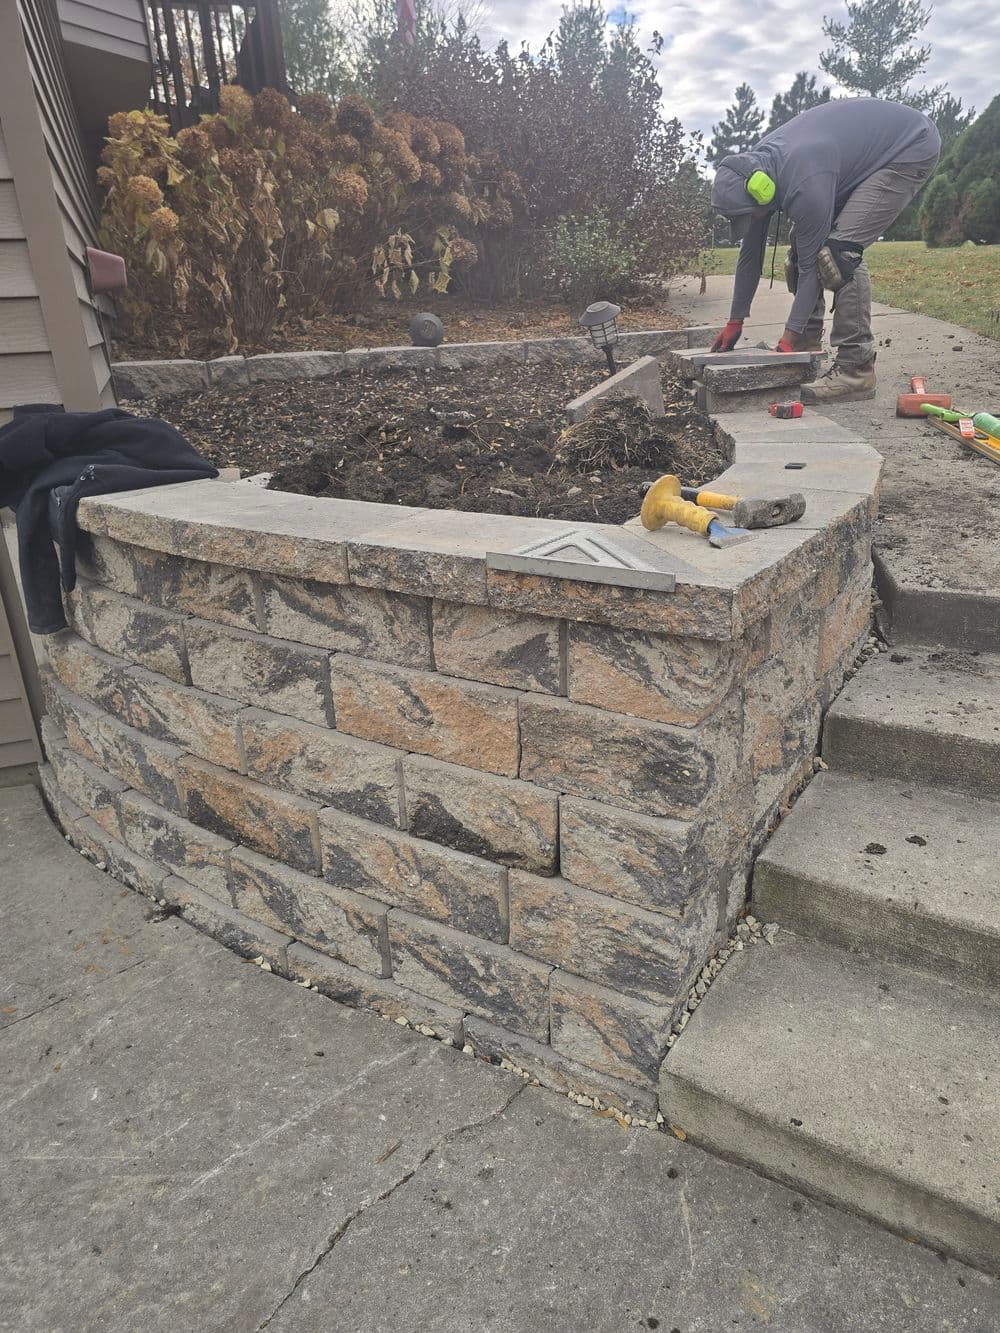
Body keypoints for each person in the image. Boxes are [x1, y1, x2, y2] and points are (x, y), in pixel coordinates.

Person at [709, 98, 940, 403]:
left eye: (750, 214)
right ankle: (807, 344)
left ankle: (855, 370)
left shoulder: (804, 177)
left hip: (908, 147)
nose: (750, 221)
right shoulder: (755, 173)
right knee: (800, 251)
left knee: (838, 256)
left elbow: (811, 271)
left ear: (762, 190)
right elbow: (750, 255)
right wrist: (734, 321)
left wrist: (785, 345)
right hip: (846, 159)